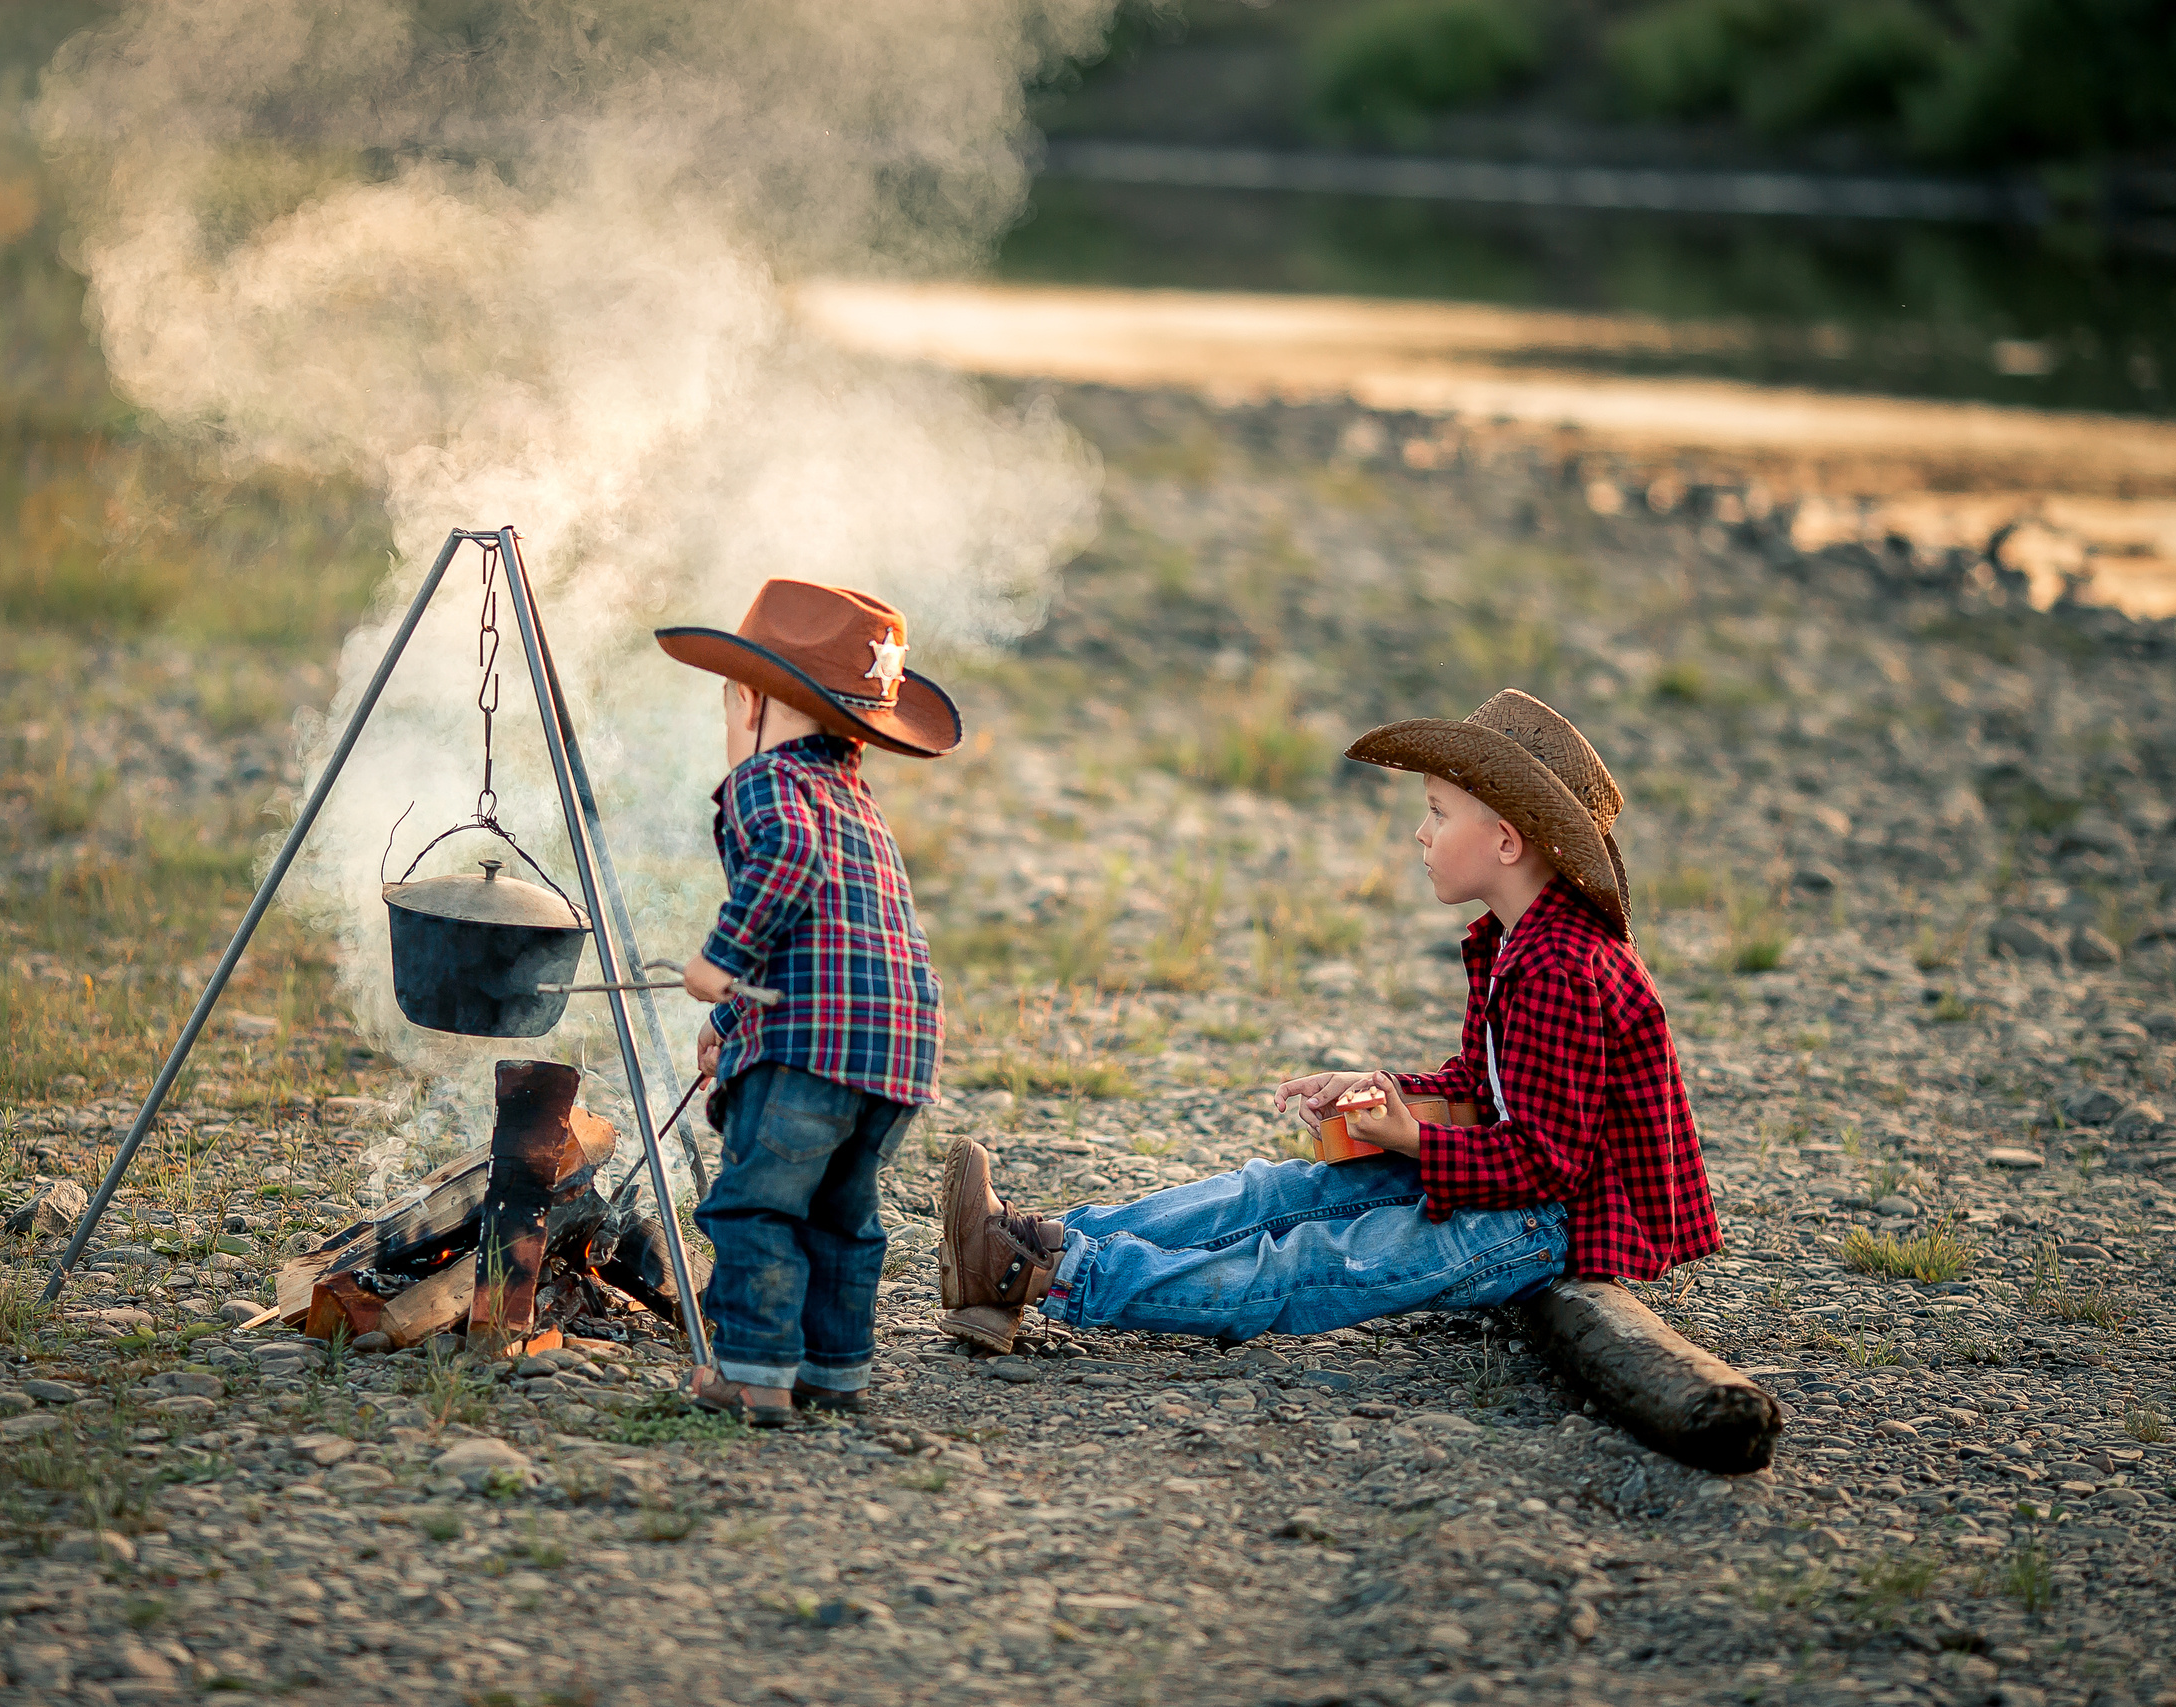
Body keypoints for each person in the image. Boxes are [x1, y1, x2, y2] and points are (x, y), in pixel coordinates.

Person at [935, 689, 1719, 1353]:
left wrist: (1414, 1141)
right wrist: (1383, 1094)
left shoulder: (1559, 968)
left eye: (1438, 813)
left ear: (1506, 841)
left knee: (1312, 1260)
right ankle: (1032, 1240)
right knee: (1275, 1193)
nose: (1421, 832)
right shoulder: (1514, 938)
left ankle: (1050, 1274)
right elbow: (1488, 1088)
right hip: (1508, 1185)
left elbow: (1548, 1164)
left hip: (1549, 1225)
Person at [657, 579, 956, 1426]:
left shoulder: (766, 782)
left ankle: (753, 1374)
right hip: (896, 1051)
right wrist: (728, 1023)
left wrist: (717, 962)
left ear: (751, 702)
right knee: (842, 1215)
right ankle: (835, 1370)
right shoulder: (855, 799)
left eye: (728, 707)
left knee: (757, 1203)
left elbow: (786, 861)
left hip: (811, 1052)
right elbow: (828, 944)